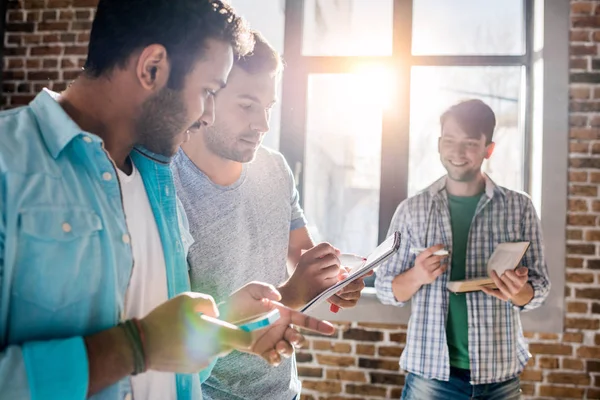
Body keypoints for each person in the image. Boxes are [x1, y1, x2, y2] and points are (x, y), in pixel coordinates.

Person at [0, 2, 335, 399]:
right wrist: (136, 346)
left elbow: (172, 354)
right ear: (153, 68)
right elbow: (149, 344)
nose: (209, 115)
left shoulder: (159, 184)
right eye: (209, 91)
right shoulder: (9, 162)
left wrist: (228, 326)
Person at [172, 31, 368, 400]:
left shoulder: (275, 168)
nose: (263, 124)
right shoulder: (167, 182)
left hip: (283, 391)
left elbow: (301, 250)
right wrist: (293, 294)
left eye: (269, 107)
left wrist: (333, 277)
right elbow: (176, 327)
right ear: (208, 95)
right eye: (247, 105)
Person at [375, 99, 551, 400]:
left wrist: (517, 290)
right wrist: (417, 275)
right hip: (430, 375)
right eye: (450, 141)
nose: (457, 153)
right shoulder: (412, 210)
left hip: (500, 374)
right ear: (439, 143)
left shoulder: (519, 207)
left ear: (488, 149)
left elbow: (539, 289)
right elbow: (385, 290)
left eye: (470, 143)